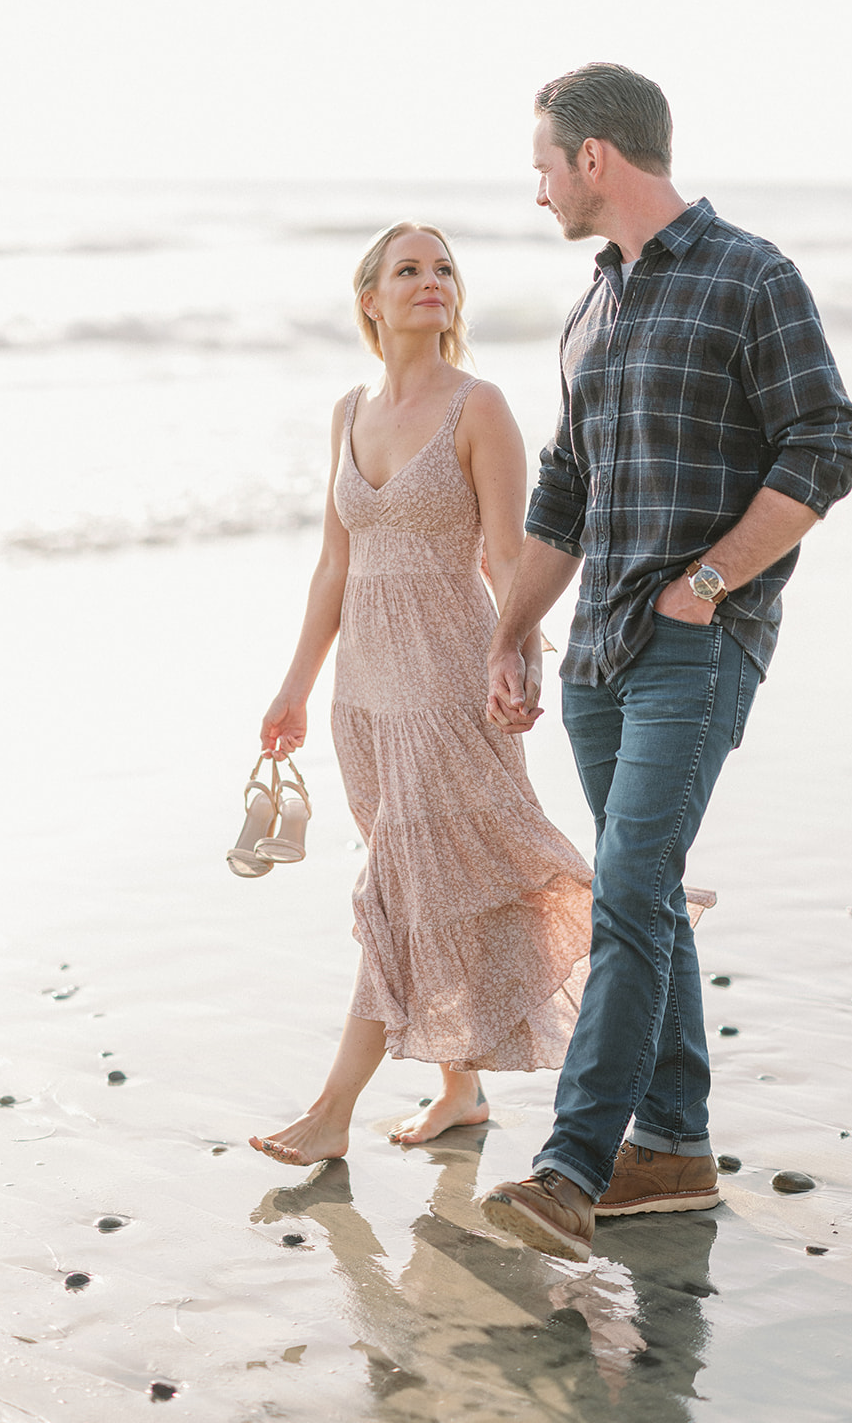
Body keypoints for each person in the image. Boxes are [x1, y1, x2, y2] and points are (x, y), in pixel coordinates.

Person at [479, 64, 852, 1261]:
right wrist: (510, 632)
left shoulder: (753, 276)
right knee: (644, 893)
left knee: (634, 886)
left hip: (696, 647)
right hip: (596, 653)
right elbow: (564, 495)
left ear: (596, 156)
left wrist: (711, 584)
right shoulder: (590, 309)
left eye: (544, 162)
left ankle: (571, 1165)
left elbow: (828, 443)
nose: (537, 190)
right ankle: (678, 1146)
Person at [248, 221, 596, 1166]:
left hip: (449, 681)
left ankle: (331, 1115)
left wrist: (515, 647)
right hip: (364, 693)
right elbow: (333, 565)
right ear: (371, 298)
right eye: (409, 270)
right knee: (424, 890)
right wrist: (295, 689)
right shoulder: (348, 410)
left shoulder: (478, 406)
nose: (432, 282)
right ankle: (462, 1089)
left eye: (445, 269)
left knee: (402, 890)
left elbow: (508, 556)